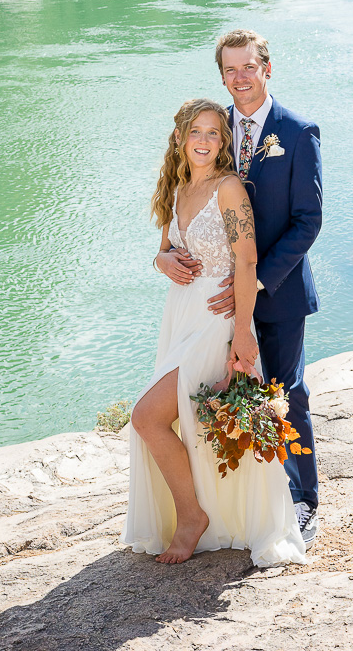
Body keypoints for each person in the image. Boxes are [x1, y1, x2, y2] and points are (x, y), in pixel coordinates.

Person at [122, 98, 305, 567]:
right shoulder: (177, 186)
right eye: (196, 132)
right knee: (193, 422)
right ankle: (206, 515)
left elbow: (247, 260)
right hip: (179, 316)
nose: (204, 141)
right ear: (180, 137)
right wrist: (161, 260)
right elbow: (164, 249)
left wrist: (242, 334)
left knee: (146, 417)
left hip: (215, 319)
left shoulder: (229, 189)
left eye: (213, 133)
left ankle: (191, 517)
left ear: (223, 142)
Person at [158, 30, 323, 548]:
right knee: (221, 400)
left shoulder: (296, 132)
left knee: (285, 394)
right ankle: (238, 511)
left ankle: (301, 504)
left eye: (248, 67)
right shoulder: (211, 128)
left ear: (266, 67)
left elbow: (308, 220)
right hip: (211, 305)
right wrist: (164, 255)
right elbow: (180, 206)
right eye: (229, 70)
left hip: (279, 291)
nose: (239, 78)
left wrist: (252, 281)